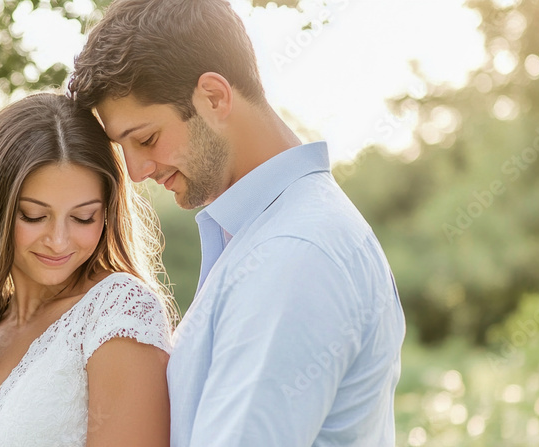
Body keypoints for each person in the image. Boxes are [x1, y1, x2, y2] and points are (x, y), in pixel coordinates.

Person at [68, 0, 406, 445]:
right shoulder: (266, 233)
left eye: (147, 138)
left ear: (214, 97)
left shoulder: (293, 252)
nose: (136, 172)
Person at [0, 92, 175, 447]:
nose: (59, 241)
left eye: (83, 217)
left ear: (106, 213)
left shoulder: (117, 310)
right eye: (34, 216)